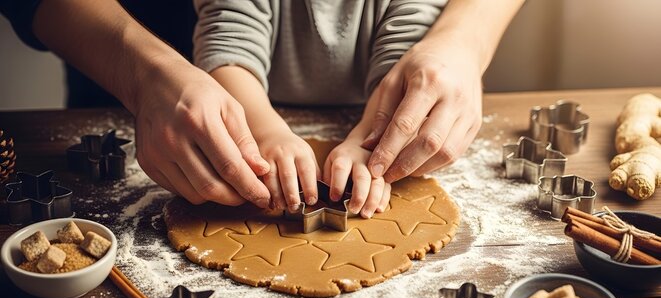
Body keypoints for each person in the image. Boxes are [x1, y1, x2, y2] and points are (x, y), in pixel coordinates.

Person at [1, 0, 524, 217]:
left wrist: (459, 43)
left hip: (370, 105)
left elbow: (409, 39)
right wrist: (263, 129)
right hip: (159, 116)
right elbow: (232, 25)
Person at [194, 0, 524, 217]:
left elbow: (406, 60)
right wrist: (265, 130)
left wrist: (374, 141)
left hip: (374, 108)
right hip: (256, 103)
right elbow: (228, 42)